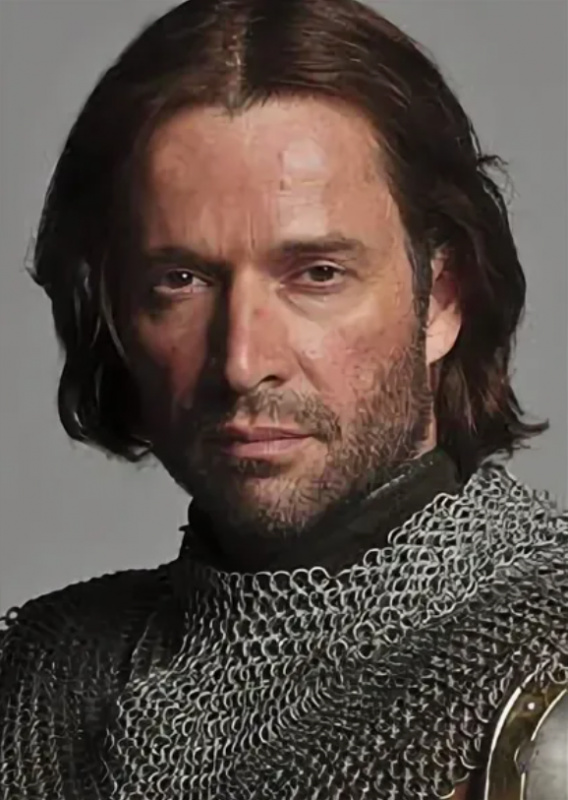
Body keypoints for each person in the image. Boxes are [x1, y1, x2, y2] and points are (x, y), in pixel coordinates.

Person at [1, 0, 566, 797]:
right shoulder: (41, 677)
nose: (242, 362)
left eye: (317, 274)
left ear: (441, 301)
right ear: (115, 315)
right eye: (180, 280)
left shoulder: (544, 662)